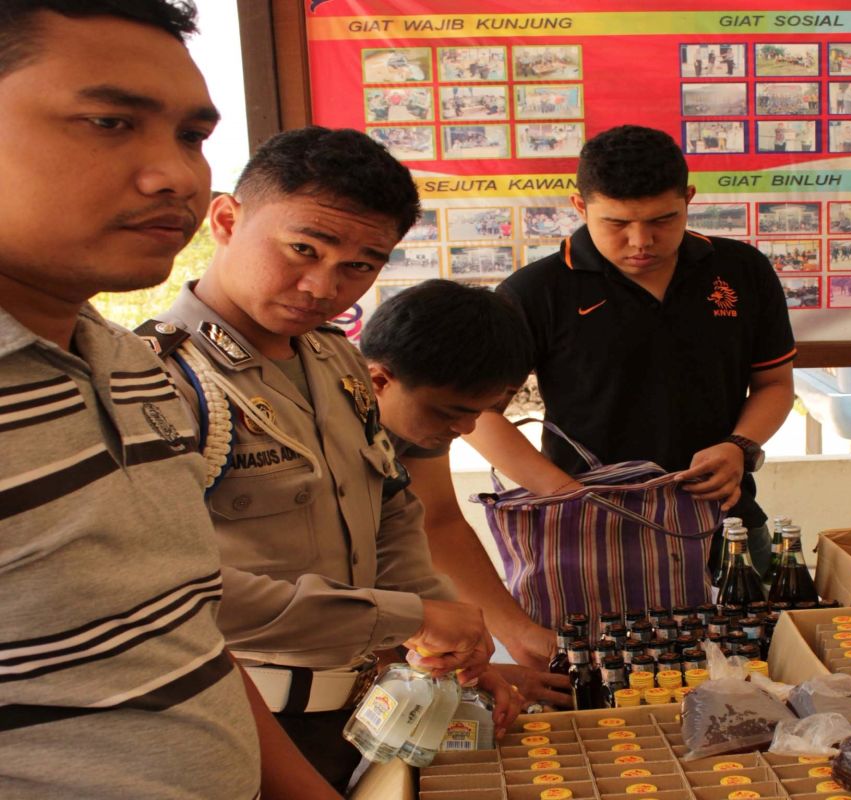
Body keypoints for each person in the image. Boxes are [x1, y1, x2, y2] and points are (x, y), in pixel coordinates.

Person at [0, 1, 341, 797]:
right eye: (111, 122)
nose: (177, 175)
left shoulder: (127, 367)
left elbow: (181, 637)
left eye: (191, 137)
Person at [144, 126, 517, 790]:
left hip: (356, 717)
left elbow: (393, 510)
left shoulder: (338, 361)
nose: (321, 286)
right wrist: (412, 617)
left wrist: (445, 634)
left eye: (360, 265)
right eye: (302, 249)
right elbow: (170, 591)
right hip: (235, 724)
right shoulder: (157, 381)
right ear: (227, 219)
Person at [468, 125, 796, 583]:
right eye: (617, 223)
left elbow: (774, 384)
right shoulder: (536, 292)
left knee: (757, 649)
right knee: (591, 656)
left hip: (724, 518)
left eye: (663, 220)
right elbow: (478, 415)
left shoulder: (741, 271)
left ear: (689, 198)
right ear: (580, 207)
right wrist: (566, 494)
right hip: (585, 533)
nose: (641, 241)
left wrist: (739, 446)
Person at [359, 280, 571, 706]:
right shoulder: (319, 432)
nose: (466, 430)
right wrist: (446, 668)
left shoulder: (418, 419)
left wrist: (518, 633)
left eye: (480, 412)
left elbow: (437, 523)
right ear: (378, 379)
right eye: (452, 413)